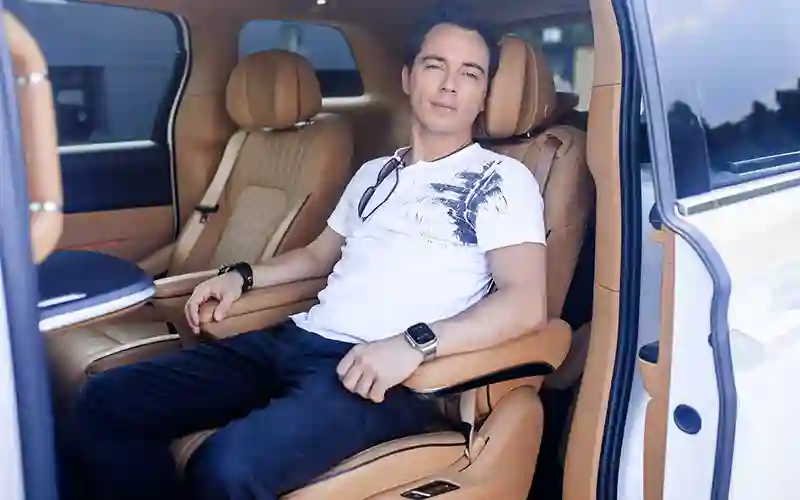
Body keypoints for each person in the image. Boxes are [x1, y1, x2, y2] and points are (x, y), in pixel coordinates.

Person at [69, 5, 548, 500]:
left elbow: (524, 302)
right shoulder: (375, 172)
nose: (449, 85)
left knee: (225, 469)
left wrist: (413, 344)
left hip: (382, 374)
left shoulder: (502, 179)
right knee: (105, 402)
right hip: (298, 339)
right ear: (407, 77)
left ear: (484, 94)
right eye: (435, 65)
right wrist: (242, 276)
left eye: (470, 73)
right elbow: (318, 257)